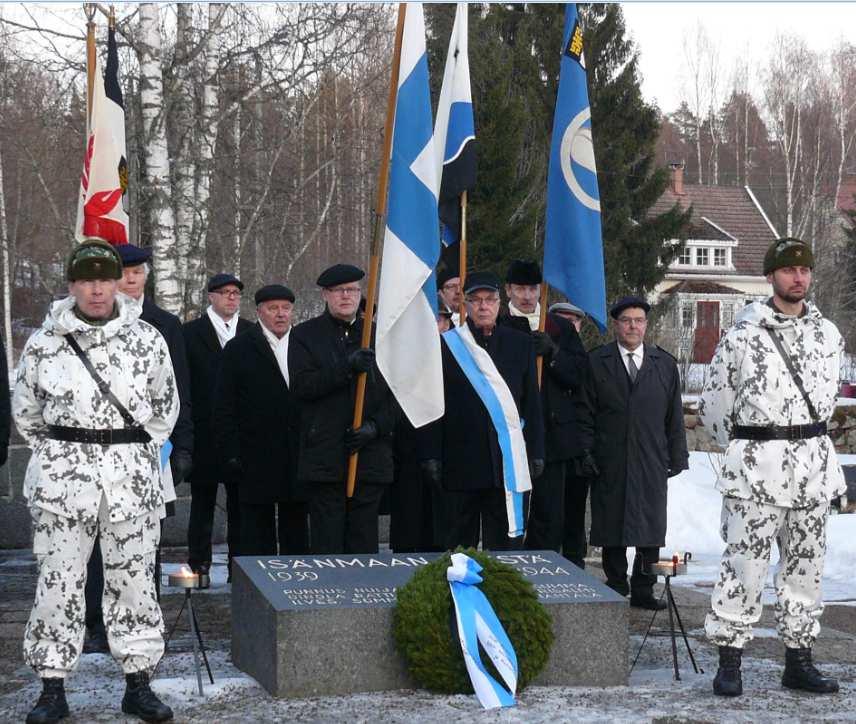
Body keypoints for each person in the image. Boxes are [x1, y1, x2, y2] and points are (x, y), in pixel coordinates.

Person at [13, 239, 178, 723]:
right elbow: (28, 414)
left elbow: (164, 409)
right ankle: (51, 687)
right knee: (58, 584)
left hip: (130, 481)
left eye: (104, 279)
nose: (96, 290)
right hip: (63, 485)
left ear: (117, 282)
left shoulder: (147, 338)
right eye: (86, 280)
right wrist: (66, 454)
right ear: (71, 285)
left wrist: (128, 453)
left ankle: (139, 683)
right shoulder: (44, 343)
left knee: (135, 582)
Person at [700, 237, 845, 697]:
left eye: (804, 270)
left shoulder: (829, 335)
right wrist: (752, 445)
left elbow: (828, 401)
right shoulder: (742, 336)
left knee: (806, 569)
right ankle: (730, 663)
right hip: (756, 471)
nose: (797, 278)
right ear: (770, 277)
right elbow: (715, 411)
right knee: (744, 567)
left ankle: (798, 661)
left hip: (813, 472)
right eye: (787, 270)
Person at [83, 243, 194, 652]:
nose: (130, 279)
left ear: (146, 275)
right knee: (96, 545)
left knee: (146, 543)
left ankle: (143, 622)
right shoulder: (89, 322)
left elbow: (180, 390)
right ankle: (97, 625)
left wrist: (184, 447)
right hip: (98, 456)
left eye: (136, 271)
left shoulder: (164, 324)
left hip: (150, 453)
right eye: (122, 272)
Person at [576, 295, 688, 610]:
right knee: (612, 524)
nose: (633, 326)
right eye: (627, 321)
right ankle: (615, 583)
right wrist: (586, 451)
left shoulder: (663, 364)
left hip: (651, 459)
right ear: (616, 325)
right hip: (609, 459)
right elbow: (584, 412)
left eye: (639, 321)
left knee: (649, 527)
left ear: (646, 325)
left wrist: (677, 456)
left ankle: (643, 589)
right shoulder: (597, 361)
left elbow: (674, 416)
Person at [421, 271, 544, 551]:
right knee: (456, 545)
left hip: (506, 463)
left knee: (504, 547)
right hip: (460, 461)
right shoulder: (447, 346)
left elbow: (532, 404)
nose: (483, 306)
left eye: (489, 299)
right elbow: (433, 405)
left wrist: (536, 451)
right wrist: (430, 454)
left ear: (499, 303)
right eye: (476, 300)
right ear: (465, 305)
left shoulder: (520, 344)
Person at [288, 264, 395, 554]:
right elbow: (302, 386)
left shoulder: (377, 335)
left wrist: (375, 427)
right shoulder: (304, 336)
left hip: (369, 455)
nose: (346, 296)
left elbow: (398, 395)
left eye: (352, 290)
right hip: (326, 456)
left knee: (363, 538)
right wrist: (345, 367)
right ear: (325, 294)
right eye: (339, 291)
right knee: (327, 540)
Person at [213, 284, 309, 556]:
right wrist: (230, 452)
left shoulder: (304, 344)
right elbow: (224, 405)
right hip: (255, 455)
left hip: (298, 454)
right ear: (259, 312)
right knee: (256, 532)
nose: (280, 314)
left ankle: (296, 586)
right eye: (273, 308)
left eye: (286, 308)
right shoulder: (239, 348)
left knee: (297, 528)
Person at [183, 273, 252, 582]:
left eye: (236, 293)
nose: (231, 298)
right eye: (224, 293)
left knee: (242, 505)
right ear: (211, 296)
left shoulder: (251, 332)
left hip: (240, 434)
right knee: (202, 504)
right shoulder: (191, 333)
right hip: (204, 433)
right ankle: (199, 564)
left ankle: (240, 566)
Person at [523, 300, 591, 564]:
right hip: (547, 444)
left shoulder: (579, 355)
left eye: (573, 320)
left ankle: (574, 564)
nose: (569, 325)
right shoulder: (535, 344)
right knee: (544, 514)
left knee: (572, 515)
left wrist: (554, 355)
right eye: (562, 319)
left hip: (574, 446)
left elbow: (582, 386)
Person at [388, 309, 453, 554]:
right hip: (409, 452)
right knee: (409, 524)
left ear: (447, 323)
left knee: (444, 532)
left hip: (449, 451)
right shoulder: (401, 357)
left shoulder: (460, 353)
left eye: (438, 320)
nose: (433, 326)